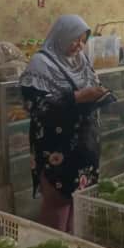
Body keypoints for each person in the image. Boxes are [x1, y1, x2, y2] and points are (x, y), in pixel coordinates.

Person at [19, 15, 106, 232]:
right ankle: (53, 245)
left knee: (80, 202)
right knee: (57, 203)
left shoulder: (80, 60)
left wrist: (100, 94)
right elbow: (34, 105)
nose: (79, 45)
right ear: (61, 36)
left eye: (83, 40)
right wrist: (76, 97)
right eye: (75, 39)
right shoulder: (41, 64)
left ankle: (73, 246)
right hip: (56, 147)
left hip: (84, 144)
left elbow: (92, 84)